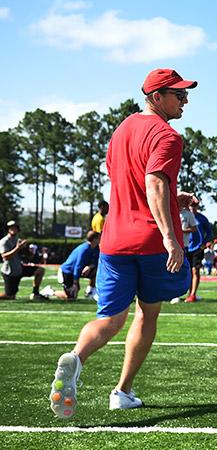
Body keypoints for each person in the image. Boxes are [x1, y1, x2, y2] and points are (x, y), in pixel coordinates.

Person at [49, 68, 197, 419]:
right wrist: (170, 236)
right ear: (156, 97)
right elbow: (153, 184)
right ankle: (122, 391)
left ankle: (76, 358)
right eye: (179, 94)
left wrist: (176, 199)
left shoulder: (121, 131)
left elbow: (129, 181)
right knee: (148, 313)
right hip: (150, 241)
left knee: (110, 318)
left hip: (115, 241)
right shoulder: (168, 136)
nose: (186, 100)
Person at [43, 231, 100, 301]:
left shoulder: (95, 248)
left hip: (77, 272)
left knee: (97, 269)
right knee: (71, 297)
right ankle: (50, 292)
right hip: (67, 272)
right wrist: (75, 282)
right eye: (99, 238)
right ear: (94, 239)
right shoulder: (84, 249)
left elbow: (98, 261)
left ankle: (90, 292)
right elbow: (78, 266)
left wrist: (90, 267)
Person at [0, 220, 47, 301]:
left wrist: (29, 252)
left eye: (15, 227)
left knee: (40, 270)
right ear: (8, 229)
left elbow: (25, 257)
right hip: (10, 271)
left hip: (19, 268)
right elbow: (5, 257)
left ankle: (35, 293)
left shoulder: (18, 240)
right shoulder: (4, 241)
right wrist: (18, 248)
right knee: (10, 296)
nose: (13, 229)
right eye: (11, 227)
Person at [184, 199, 212, 302]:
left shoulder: (202, 219)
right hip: (186, 247)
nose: (193, 207)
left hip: (197, 248)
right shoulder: (184, 216)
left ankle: (193, 294)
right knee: (187, 272)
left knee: (195, 270)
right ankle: (187, 292)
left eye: (195, 205)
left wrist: (203, 244)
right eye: (191, 205)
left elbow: (209, 233)